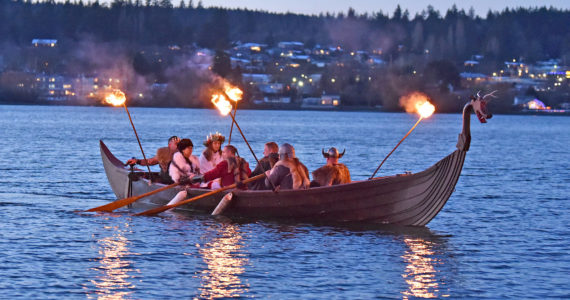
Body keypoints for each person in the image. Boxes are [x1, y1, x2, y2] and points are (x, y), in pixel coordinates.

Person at [166, 138, 201, 206]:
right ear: (183, 149)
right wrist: (193, 177)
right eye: (188, 148)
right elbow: (177, 177)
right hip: (179, 182)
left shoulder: (194, 159)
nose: (191, 150)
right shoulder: (177, 159)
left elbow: (198, 172)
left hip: (192, 181)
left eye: (191, 148)